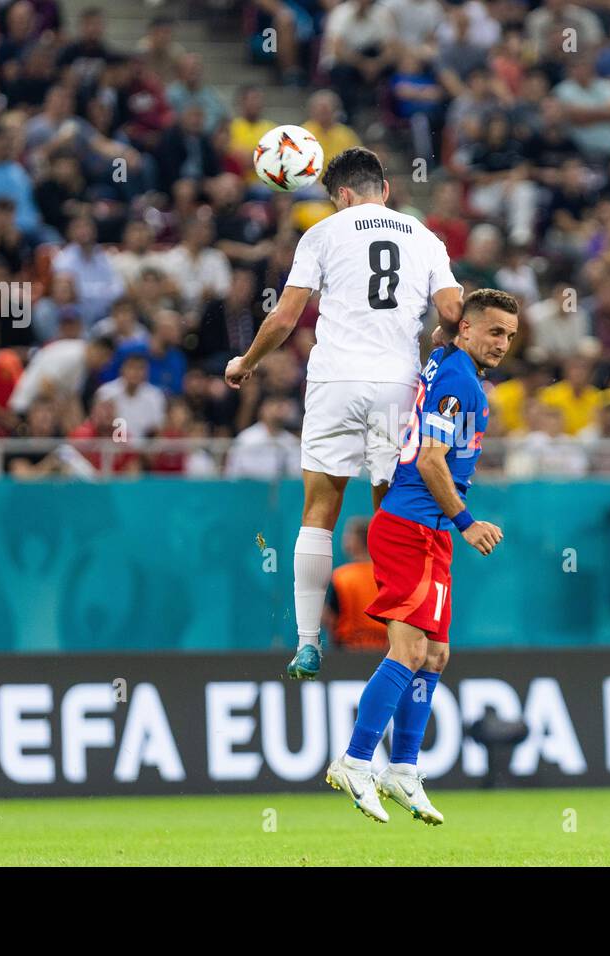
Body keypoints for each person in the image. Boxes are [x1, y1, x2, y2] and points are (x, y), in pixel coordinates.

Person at [224, 147, 463, 680]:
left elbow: (286, 316)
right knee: (392, 510)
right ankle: (401, 636)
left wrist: (247, 362)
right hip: (397, 385)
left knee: (319, 511)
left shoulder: (325, 234)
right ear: (385, 189)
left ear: (345, 196)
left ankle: (308, 642)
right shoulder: (425, 238)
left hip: (335, 380)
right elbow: (451, 313)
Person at [324, 288, 516, 825]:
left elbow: (436, 338)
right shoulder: (458, 380)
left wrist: (446, 331)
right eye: (495, 332)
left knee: (435, 656)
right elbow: (432, 460)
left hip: (424, 533)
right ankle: (356, 759)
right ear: (468, 329)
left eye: (510, 336)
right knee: (408, 652)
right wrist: (466, 521)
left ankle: (402, 768)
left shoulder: (445, 361)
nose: (503, 344)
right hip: (414, 527)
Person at [324, 517, 388, 652]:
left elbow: (329, 618)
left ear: (355, 542)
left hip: (349, 650)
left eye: (348, 535)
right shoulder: (388, 575)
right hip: (386, 651)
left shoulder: (341, 576)